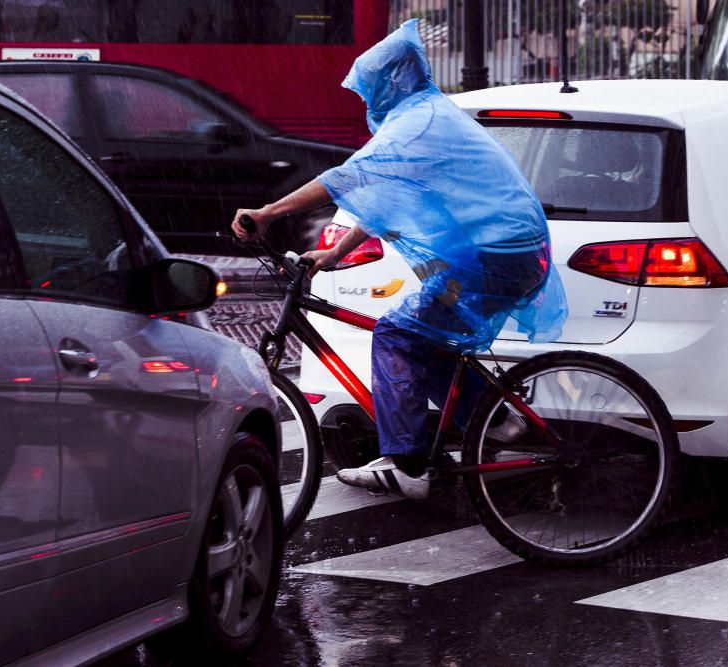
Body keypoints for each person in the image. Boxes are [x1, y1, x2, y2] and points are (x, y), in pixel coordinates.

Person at [232, 19, 567, 500]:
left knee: (398, 333)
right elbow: (385, 195)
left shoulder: (418, 122)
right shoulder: (427, 114)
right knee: (427, 336)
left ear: (391, 82)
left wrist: (268, 213)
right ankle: (498, 424)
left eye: (369, 90)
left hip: (494, 258)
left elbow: (347, 178)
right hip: (494, 255)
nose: (368, 102)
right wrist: (333, 252)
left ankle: (407, 463)